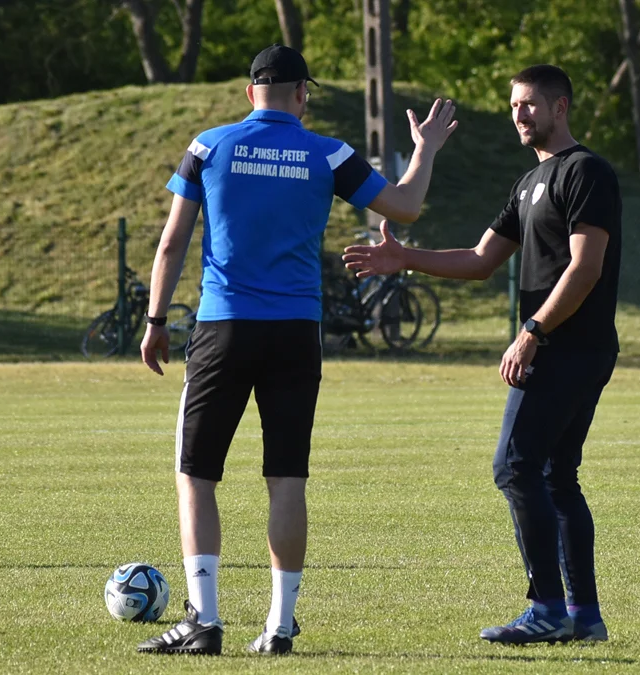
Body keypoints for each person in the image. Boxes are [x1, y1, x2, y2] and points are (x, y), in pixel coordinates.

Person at [134, 44, 457, 656]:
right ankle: (279, 627)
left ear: (248, 91)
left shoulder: (209, 144)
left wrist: (155, 320)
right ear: (302, 94)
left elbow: (173, 242)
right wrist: (426, 149)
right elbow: (406, 207)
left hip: (224, 328)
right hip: (296, 331)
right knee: (286, 478)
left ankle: (204, 622)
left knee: (197, 475)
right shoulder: (328, 152)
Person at [342, 64, 620, 645]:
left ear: (560, 107)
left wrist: (533, 332)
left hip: (570, 346)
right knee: (554, 475)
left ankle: (546, 609)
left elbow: (586, 265)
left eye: (529, 105)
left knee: (515, 467)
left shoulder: (586, 172)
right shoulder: (527, 184)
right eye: (514, 105)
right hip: (561, 346)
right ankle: (584, 617)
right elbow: (479, 259)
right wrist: (405, 258)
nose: (518, 115)